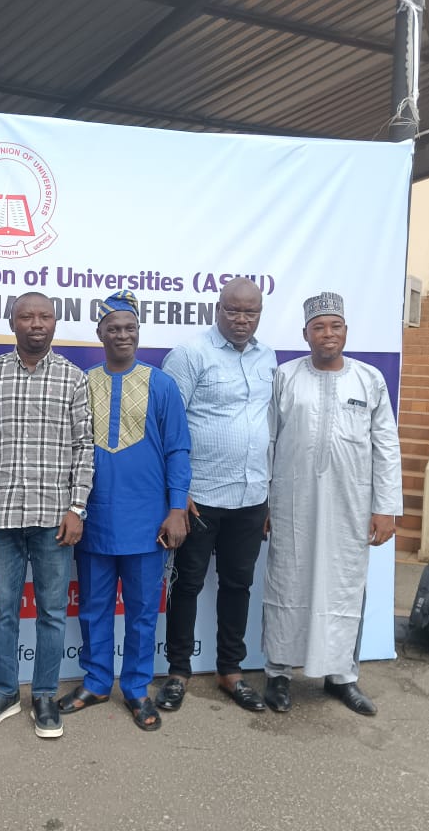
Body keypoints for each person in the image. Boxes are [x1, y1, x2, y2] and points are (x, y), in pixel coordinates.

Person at [261, 292, 402, 717]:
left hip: (350, 506)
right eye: (318, 327)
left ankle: (343, 676)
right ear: (305, 334)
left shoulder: (369, 379)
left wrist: (386, 507)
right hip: (292, 503)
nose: (327, 334)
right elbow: (267, 440)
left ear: (346, 331)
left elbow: (386, 446)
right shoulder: (285, 377)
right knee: (287, 583)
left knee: (344, 587)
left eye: (335, 326)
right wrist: (263, 501)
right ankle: (278, 674)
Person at [56, 291, 190, 732]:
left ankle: (135, 687)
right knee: (93, 607)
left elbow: (178, 449)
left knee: (142, 611)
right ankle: (96, 682)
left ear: (139, 332)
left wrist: (176, 508)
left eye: (129, 327)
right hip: (94, 517)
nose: (122, 335)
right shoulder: (83, 383)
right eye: (113, 328)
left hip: (148, 520)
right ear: (100, 333)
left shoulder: (161, 384)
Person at [0, 292, 93, 739]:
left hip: (54, 517)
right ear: (12, 322)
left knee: (52, 613)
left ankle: (43, 696)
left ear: (55, 323)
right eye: (26, 316)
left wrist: (77, 507)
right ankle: (4, 693)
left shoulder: (73, 378)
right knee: (2, 610)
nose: (36, 323)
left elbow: (84, 448)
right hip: (1, 515)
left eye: (44, 316)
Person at [155, 277, 276, 715]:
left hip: (250, 496)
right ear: (217, 309)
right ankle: (178, 671)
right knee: (186, 584)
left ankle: (231, 670)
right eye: (233, 310)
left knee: (239, 585)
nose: (242, 319)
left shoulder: (267, 357)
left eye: (251, 312)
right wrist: (177, 493)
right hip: (199, 496)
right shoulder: (190, 354)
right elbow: (165, 425)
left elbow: (269, 425)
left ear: (259, 313)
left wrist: (268, 492)